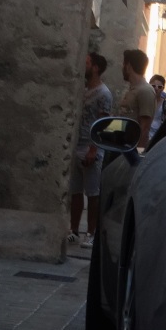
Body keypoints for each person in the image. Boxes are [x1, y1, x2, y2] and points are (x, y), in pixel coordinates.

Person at [68, 52, 111, 248]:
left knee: (92, 193)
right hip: (77, 145)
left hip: (91, 148)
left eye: (86, 62)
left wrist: (94, 149)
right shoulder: (83, 89)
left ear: (95, 67)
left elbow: (102, 124)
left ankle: (92, 233)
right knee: (75, 192)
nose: (82, 65)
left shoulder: (104, 93)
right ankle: (74, 231)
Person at [116, 49, 156, 150]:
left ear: (128, 66)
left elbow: (144, 128)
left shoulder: (145, 91)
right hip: (121, 147)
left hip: (131, 150)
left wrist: (138, 156)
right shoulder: (133, 89)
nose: (122, 68)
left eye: (123, 64)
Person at [147, 74, 166, 143]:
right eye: (153, 86)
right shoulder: (143, 101)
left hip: (156, 142)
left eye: (159, 87)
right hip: (142, 139)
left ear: (163, 88)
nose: (156, 88)